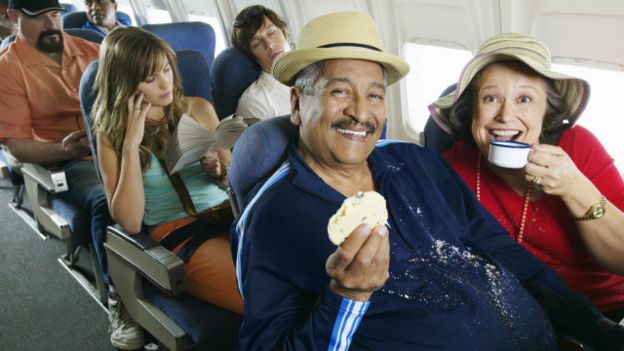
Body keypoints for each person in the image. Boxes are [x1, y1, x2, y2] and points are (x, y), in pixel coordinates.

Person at [232, 11, 624, 350]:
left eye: (374, 96)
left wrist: (594, 326)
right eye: (340, 91)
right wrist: (348, 296)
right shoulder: (270, 218)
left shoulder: (415, 162)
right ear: (298, 104)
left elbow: (499, 249)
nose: (360, 113)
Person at [430, 32, 624, 323]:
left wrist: (575, 190)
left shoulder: (578, 148)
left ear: (546, 112)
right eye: (491, 98)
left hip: (606, 313)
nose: (506, 116)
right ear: (473, 108)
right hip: (521, 315)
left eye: (524, 99)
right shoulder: (451, 166)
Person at [0, 1, 143, 349]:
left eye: (56, 14)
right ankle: (119, 298)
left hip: (116, 144)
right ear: (14, 17)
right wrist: (67, 150)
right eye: (40, 17)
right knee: (106, 199)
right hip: (64, 160)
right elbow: (17, 146)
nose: (52, 24)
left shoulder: (93, 51)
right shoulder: (7, 70)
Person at [92, 27, 243, 318]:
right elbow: (131, 222)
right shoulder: (110, 134)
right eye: (150, 78)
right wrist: (130, 145)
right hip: (179, 231)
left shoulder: (198, 109)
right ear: (124, 84)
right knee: (259, 293)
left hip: (229, 213)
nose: (165, 84)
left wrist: (219, 172)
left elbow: (235, 183)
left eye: (166, 69)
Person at [231, 4, 291, 121]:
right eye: (256, 44)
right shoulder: (255, 101)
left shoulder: (317, 70)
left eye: (271, 33)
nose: (269, 45)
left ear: (284, 32)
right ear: (252, 56)